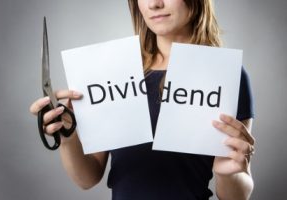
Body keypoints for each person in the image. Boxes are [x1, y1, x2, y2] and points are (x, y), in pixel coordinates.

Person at [30, 0, 255, 199]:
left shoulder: (226, 74)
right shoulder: (114, 72)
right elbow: (87, 178)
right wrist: (68, 137)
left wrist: (230, 173)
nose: (154, 4)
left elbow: (236, 196)